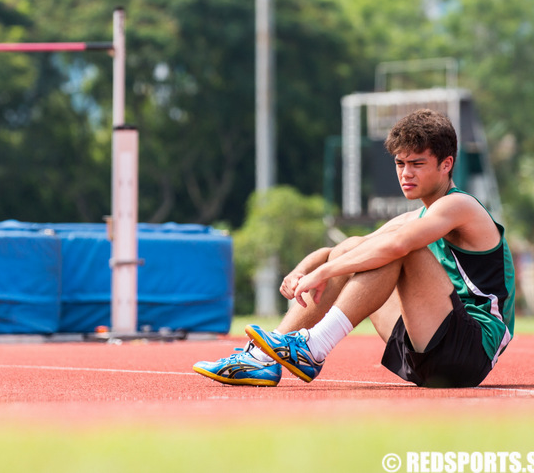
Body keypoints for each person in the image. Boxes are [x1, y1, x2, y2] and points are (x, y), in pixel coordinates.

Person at [193, 108, 515, 388]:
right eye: (400, 163)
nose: (406, 173)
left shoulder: (460, 205)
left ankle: (313, 348)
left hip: (470, 350)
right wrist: (305, 268)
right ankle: (260, 358)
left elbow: (396, 246)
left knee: (397, 250)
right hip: (425, 353)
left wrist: (323, 272)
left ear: (446, 165)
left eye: (417, 164)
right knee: (358, 247)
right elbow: (353, 248)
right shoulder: (418, 216)